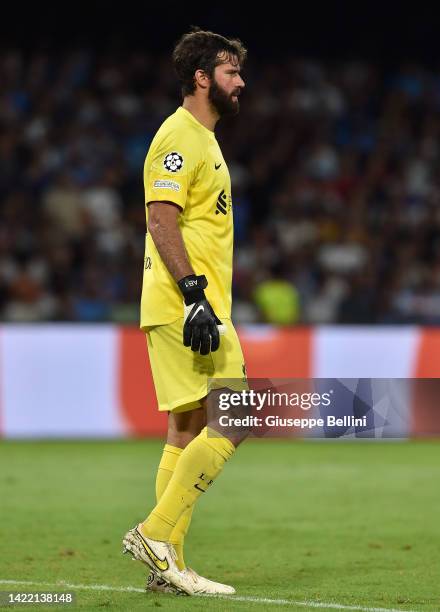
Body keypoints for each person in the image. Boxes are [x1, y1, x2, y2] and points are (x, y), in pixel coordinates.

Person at [122, 28, 248, 596]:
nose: (240, 81)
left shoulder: (204, 138)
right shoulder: (179, 138)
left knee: (186, 426)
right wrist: (195, 294)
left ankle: (165, 564)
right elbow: (160, 219)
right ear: (202, 78)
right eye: (230, 72)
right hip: (186, 305)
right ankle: (155, 533)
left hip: (189, 304)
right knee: (241, 412)